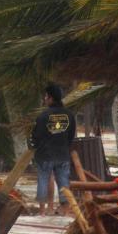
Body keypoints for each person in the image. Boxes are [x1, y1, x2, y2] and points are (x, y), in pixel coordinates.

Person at [29, 83, 77, 217]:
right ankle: (66, 211)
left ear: (50, 98)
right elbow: (71, 135)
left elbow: (36, 135)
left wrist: (37, 146)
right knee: (64, 183)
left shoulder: (43, 116)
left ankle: (43, 212)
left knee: (43, 180)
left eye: (46, 96)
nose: (45, 99)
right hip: (62, 154)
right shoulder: (69, 115)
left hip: (45, 155)